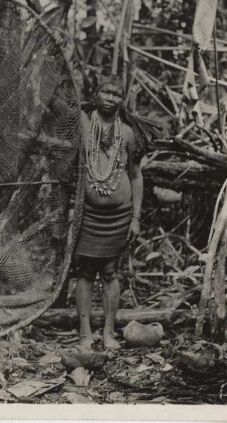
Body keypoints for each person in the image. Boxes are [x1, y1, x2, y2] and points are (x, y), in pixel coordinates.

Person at [74, 75, 143, 351]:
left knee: (111, 273)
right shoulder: (83, 124)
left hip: (119, 216)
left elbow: (136, 176)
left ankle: (109, 333)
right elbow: (60, 99)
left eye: (117, 94)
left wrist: (136, 218)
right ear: (95, 94)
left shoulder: (127, 133)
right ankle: (84, 334)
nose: (111, 98)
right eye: (106, 92)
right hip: (89, 216)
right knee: (86, 272)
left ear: (121, 100)